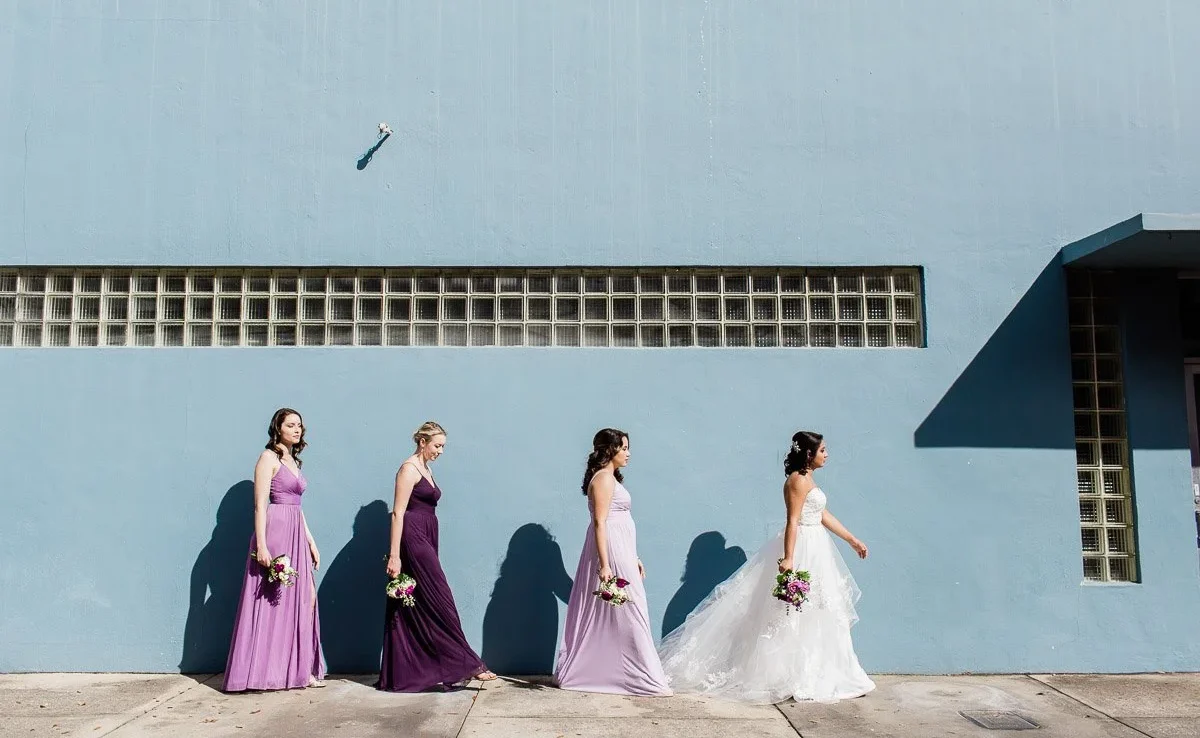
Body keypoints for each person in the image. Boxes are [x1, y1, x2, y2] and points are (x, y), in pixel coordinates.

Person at [658, 431, 874, 704]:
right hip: (804, 547)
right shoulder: (796, 481)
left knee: (823, 610)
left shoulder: (809, 479)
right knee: (792, 613)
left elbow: (821, 514)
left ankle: (828, 672)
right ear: (809, 454)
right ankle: (791, 676)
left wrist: (852, 540)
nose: (827, 454)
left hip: (819, 547)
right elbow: (793, 521)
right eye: (822, 450)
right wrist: (789, 559)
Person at [378, 421, 497, 691]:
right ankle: (468, 663)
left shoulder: (426, 469)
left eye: (443, 446)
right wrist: (395, 555)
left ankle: (413, 669)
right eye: (437, 445)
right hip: (413, 535)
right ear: (422, 442)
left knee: (418, 603)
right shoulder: (408, 469)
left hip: (428, 534)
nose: (441, 451)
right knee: (440, 599)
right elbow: (397, 513)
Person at [554, 428, 671, 696]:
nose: (628, 454)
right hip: (612, 552)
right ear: (610, 450)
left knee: (626, 608)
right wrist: (606, 564)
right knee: (632, 606)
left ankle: (635, 673)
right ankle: (644, 677)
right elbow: (600, 522)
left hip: (621, 549)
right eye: (624, 448)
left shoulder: (610, 478)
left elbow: (619, 524)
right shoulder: (604, 479)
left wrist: (635, 557)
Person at [224, 408, 325, 692]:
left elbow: (297, 506)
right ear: (277, 428)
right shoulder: (267, 458)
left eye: (300, 426)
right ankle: (267, 672)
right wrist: (262, 544)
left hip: (296, 528)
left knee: (306, 598)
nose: (297, 430)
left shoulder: (293, 460)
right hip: (277, 530)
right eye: (291, 425)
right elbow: (260, 505)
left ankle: (299, 669)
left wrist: (311, 541)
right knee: (274, 601)